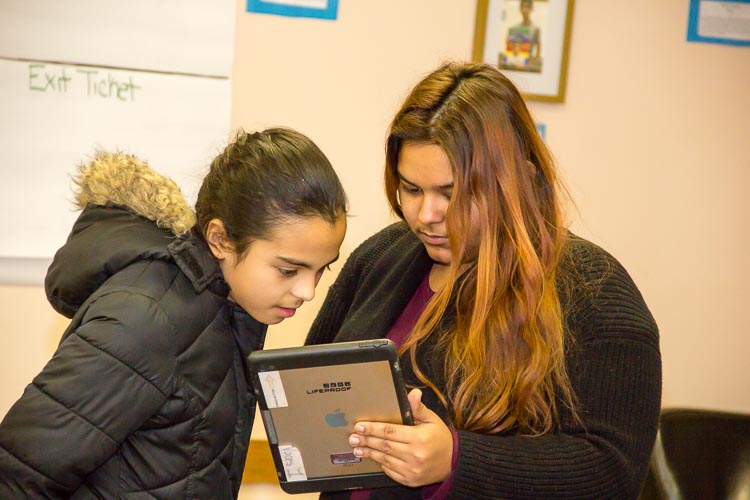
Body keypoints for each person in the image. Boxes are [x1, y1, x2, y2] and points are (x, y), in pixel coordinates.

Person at [305, 61, 661, 499]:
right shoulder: (383, 256)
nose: (425, 215)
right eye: (411, 189)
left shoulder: (596, 293)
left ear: (520, 181)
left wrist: (457, 460)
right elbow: (311, 375)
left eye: (453, 194)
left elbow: (612, 471)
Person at [0, 127, 347, 498]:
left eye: (322, 268)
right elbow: (18, 474)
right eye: (288, 270)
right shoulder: (145, 320)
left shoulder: (228, 307)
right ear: (220, 240)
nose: (307, 292)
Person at [500, 0, 542, 73]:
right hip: (513, 66)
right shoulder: (515, 27)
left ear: (532, 9)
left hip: (527, 67)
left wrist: (528, 63)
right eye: (523, 6)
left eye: (528, 7)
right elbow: (509, 46)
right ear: (520, 8)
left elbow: (538, 53)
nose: (525, 9)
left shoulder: (535, 29)